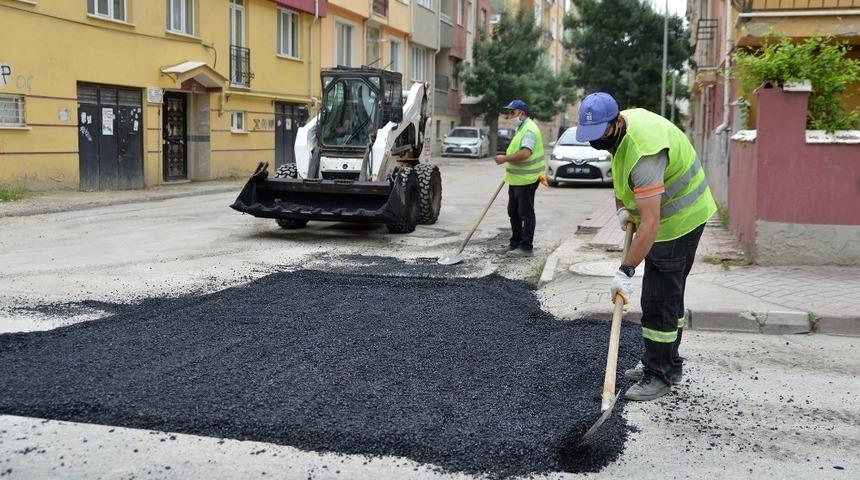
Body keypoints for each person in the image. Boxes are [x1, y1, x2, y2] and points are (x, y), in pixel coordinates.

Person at [575, 92, 717, 401]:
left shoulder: (644, 153)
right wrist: (622, 209)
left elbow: (650, 223)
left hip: (678, 221)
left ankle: (658, 374)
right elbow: (621, 177)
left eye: (598, 134)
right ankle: (670, 362)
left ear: (616, 122)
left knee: (658, 300)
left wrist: (625, 270)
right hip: (667, 218)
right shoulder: (620, 134)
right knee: (669, 294)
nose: (594, 141)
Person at [493, 100, 546, 257]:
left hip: (527, 179)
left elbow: (525, 153)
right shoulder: (521, 128)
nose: (510, 116)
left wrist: (504, 159)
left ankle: (526, 247)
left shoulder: (529, 130)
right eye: (509, 113)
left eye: (513, 112)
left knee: (525, 213)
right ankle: (515, 243)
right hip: (516, 180)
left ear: (522, 114)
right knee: (513, 212)